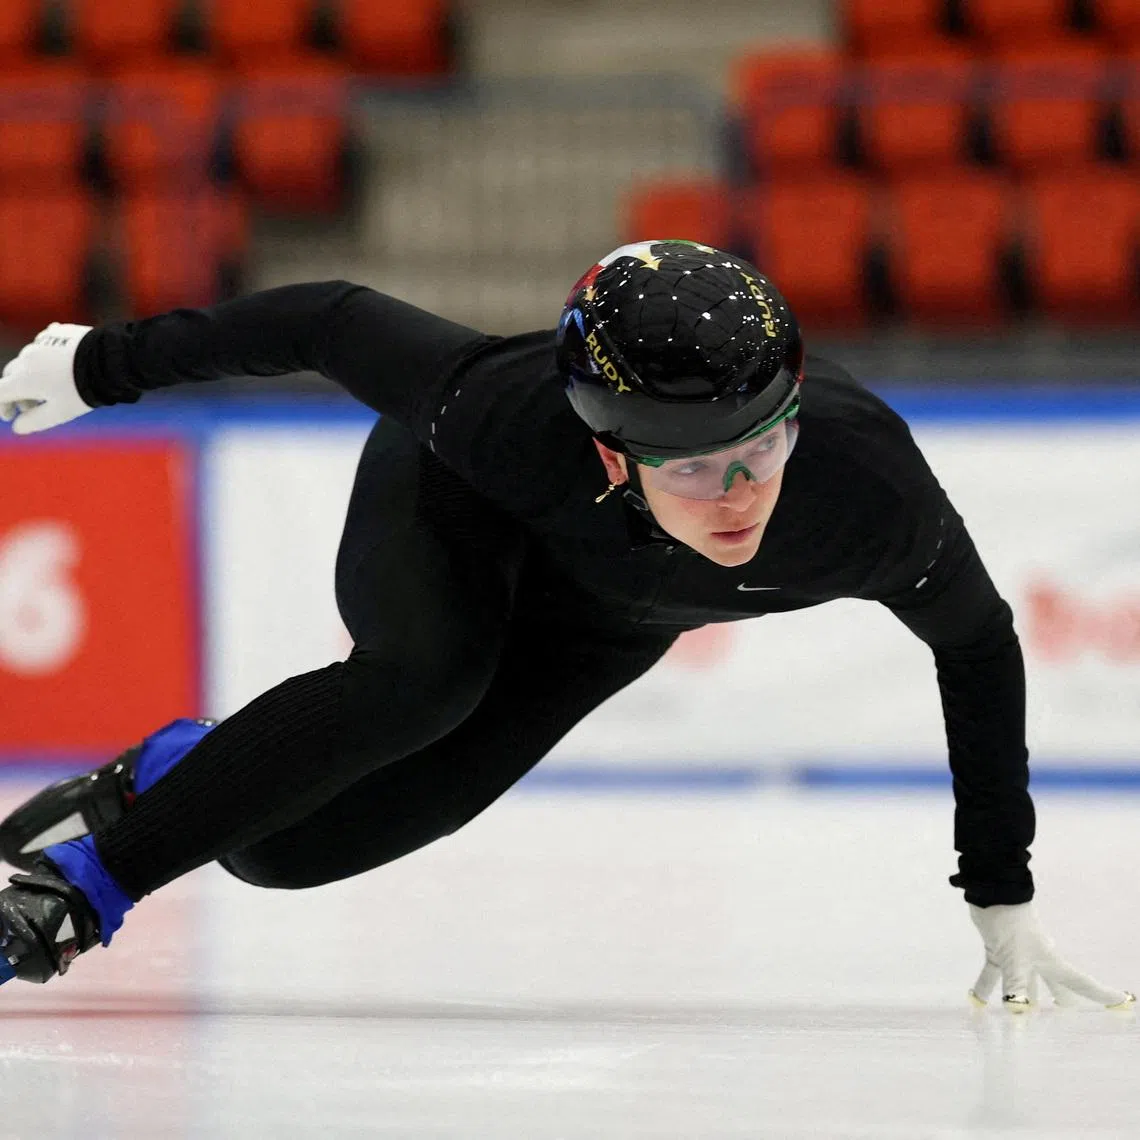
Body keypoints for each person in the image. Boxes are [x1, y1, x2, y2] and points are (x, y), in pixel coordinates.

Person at [0, 240, 1129, 1010]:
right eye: (694, 468)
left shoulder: (869, 496)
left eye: (764, 447)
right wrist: (99, 366)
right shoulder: (502, 412)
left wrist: (1000, 889)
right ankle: (78, 887)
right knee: (425, 678)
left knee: (284, 851)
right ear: (610, 451)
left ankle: (177, 766)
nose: (741, 497)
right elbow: (326, 320)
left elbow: (978, 647)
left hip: (606, 619)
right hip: (458, 507)